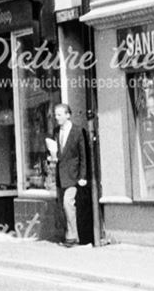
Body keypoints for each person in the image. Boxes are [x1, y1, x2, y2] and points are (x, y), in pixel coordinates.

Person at [52, 103, 87, 247]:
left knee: (68, 204)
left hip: (73, 175)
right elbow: (57, 151)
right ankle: (69, 236)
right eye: (55, 115)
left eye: (59, 114)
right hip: (60, 175)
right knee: (62, 206)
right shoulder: (56, 131)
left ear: (68, 115)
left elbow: (83, 155)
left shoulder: (78, 131)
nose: (56, 117)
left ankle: (73, 237)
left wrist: (83, 176)